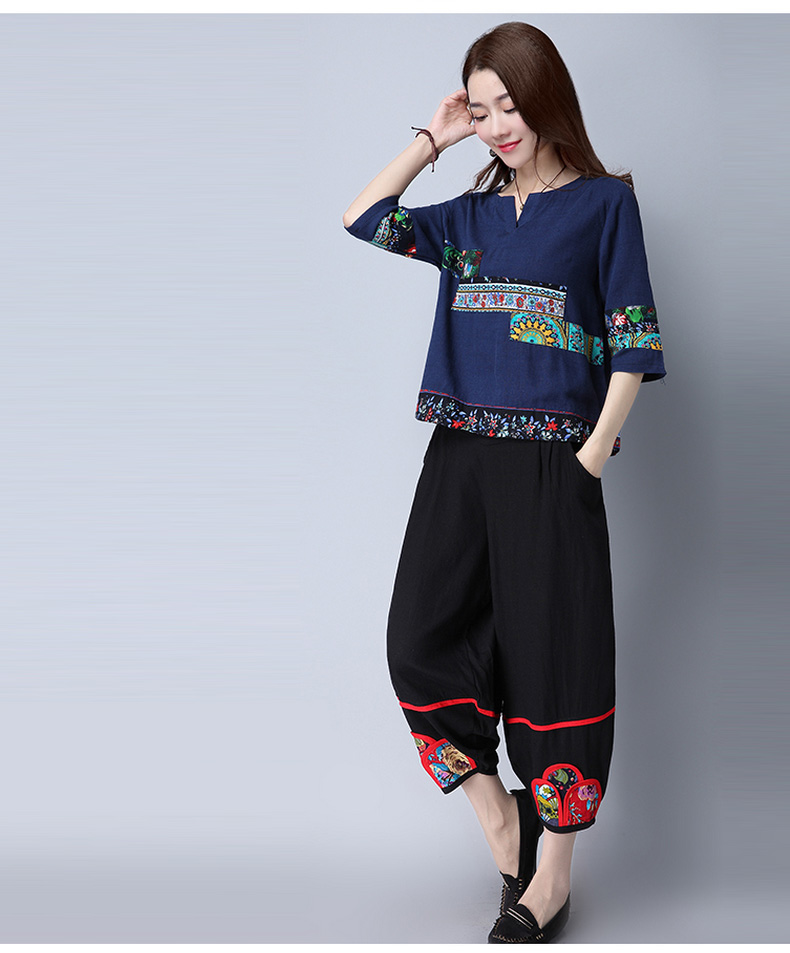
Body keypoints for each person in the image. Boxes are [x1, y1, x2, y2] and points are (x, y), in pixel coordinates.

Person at [342, 20, 665, 944]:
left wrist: (591, 453)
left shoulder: (604, 205)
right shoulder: (469, 218)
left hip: (554, 461)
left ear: (546, 96)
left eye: (508, 105)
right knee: (419, 634)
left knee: (555, 651)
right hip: (460, 456)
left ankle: (551, 874)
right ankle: (502, 822)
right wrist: (433, 138)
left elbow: (634, 339)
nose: (497, 126)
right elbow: (365, 217)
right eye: (481, 112)